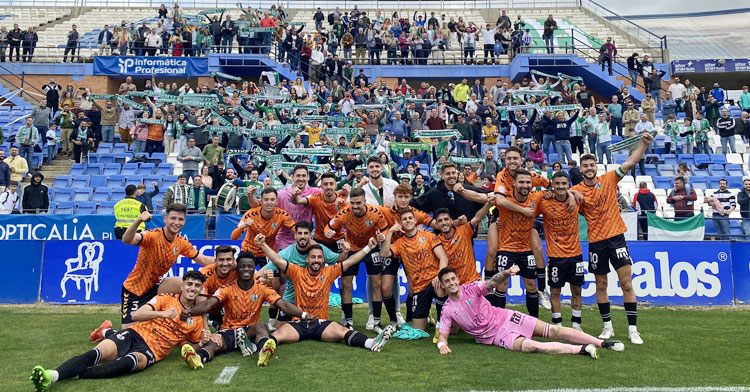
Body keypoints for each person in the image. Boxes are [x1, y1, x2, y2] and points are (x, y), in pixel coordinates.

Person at [30, 271, 211, 391]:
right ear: (182, 286)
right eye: (189, 284)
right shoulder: (165, 298)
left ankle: (75, 374)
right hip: (135, 334)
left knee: (124, 364)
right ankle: (52, 376)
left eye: (196, 286)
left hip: (151, 351)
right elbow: (137, 314)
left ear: (200, 290)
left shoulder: (196, 319)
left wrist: (202, 341)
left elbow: (191, 347)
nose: (192, 288)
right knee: (96, 354)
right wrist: (163, 313)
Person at [571, 132, 653, 345]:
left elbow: (630, 162)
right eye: (585, 165)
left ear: (596, 167)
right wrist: (572, 195)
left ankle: (633, 330)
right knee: (601, 284)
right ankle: (607, 327)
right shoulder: (575, 190)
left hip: (616, 238)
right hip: (596, 243)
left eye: (592, 165)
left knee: (626, 283)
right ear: (581, 170)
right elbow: (558, 193)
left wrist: (643, 145)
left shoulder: (609, 178)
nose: (589, 168)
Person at [435, 266, 624, 358]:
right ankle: (582, 350)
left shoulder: (472, 288)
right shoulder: (447, 310)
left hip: (507, 317)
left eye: (453, 279)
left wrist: (508, 272)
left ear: (457, 279)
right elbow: (442, 336)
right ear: (443, 285)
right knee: (531, 346)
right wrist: (441, 345)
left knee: (553, 331)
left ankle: (602, 343)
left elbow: (492, 282)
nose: (451, 283)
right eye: (447, 281)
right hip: (496, 336)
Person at [256, 234, 395, 352]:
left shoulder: (329, 272)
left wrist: (368, 248)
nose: (316, 260)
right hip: (299, 322)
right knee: (276, 335)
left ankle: (372, 343)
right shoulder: (297, 271)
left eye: (319, 257)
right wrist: (263, 244)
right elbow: (277, 259)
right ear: (307, 260)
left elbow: (351, 260)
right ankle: (261, 350)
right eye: (313, 257)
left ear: (323, 260)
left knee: (343, 332)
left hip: (320, 323)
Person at [179, 254, 309, 368]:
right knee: (213, 344)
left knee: (261, 326)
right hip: (228, 331)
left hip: (249, 331)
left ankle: (264, 351)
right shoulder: (226, 288)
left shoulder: (262, 288)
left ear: (254, 268)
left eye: (250, 266)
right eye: (242, 266)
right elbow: (208, 304)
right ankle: (197, 358)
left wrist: (304, 314)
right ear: (237, 269)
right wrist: (189, 311)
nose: (246, 269)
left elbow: (283, 305)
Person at [118, 205, 213, 328]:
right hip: (134, 290)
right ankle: (105, 331)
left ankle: (195, 326)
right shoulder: (153, 236)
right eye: (173, 218)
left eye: (180, 219)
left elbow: (204, 259)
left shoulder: (181, 242)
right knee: (129, 335)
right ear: (165, 219)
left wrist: (230, 262)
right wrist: (139, 220)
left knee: (192, 287)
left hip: (156, 286)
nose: (177, 222)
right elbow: (126, 239)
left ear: (184, 221)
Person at [325, 187, 387, 330]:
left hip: (371, 248)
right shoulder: (344, 213)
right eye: (352, 203)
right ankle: (348, 321)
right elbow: (328, 227)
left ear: (365, 201)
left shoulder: (375, 212)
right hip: (351, 250)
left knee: (377, 284)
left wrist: (382, 236)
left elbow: (385, 228)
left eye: (358, 203)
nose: (355, 206)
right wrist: (330, 233)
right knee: (346, 285)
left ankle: (376, 321)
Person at [380, 208, 449, 332]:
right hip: (419, 288)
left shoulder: (428, 235)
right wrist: (390, 232)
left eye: (410, 218)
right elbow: (384, 253)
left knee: (440, 288)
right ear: (400, 223)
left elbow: (443, 256)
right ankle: (427, 316)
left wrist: (440, 275)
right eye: (404, 219)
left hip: (434, 280)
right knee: (418, 329)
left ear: (415, 220)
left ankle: (441, 323)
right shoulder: (400, 243)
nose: (408, 221)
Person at [232, 187, 296, 267]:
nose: (269, 202)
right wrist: (242, 227)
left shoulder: (281, 215)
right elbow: (233, 237)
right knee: (240, 275)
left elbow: (296, 229)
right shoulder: (251, 214)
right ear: (261, 202)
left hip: (268, 252)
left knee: (276, 275)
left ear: (276, 202)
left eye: (272, 200)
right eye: (266, 200)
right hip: (249, 251)